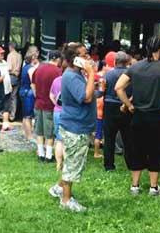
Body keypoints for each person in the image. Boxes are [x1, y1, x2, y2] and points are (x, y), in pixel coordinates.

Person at [115, 36, 160, 197]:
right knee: (156, 149)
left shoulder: (135, 67)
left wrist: (129, 105)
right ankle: (153, 187)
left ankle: (135, 186)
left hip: (137, 115)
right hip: (156, 116)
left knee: (136, 148)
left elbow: (118, 87)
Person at [48, 42, 96, 213]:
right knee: (73, 165)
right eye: (84, 55)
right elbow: (86, 98)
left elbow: (87, 94)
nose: (88, 58)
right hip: (75, 127)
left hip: (79, 125)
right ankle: (66, 200)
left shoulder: (76, 74)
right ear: (74, 59)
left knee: (73, 162)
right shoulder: (71, 76)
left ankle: (58, 188)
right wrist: (91, 75)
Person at [102, 51, 132, 171]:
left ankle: (109, 165)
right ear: (127, 62)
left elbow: (101, 92)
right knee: (128, 138)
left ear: (115, 62)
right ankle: (131, 163)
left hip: (109, 106)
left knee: (109, 137)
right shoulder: (130, 75)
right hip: (126, 105)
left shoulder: (107, 75)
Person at [31, 51, 63, 162]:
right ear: (58, 59)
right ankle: (49, 155)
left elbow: (33, 84)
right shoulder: (58, 72)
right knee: (50, 132)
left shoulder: (38, 69)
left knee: (39, 130)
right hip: (50, 105)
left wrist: (37, 95)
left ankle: (40, 153)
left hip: (38, 103)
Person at [19, 54, 39, 142]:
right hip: (29, 93)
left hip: (23, 91)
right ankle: (29, 136)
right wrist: (36, 94)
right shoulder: (31, 68)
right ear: (33, 59)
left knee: (25, 115)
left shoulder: (24, 67)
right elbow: (33, 81)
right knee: (28, 116)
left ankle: (25, 133)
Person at [0, 47, 14, 132]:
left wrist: (10, 85)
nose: (2, 55)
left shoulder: (5, 62)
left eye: (3, 53)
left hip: (7, 88)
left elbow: (7, 74)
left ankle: (5, 123)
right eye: (0, 53)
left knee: (7, 107)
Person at [6, 42, 22, 120]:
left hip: (11, 77)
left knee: (9, 96)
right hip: (17, 77)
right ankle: (13, 115)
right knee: (14, 97)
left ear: (11, 47)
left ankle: (7, 113)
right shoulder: (19, 55)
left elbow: (9, 68)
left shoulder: (10, 55)